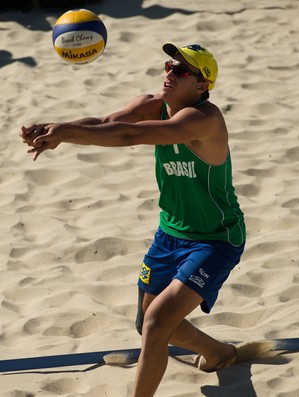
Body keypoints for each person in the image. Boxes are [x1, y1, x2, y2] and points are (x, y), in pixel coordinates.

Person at [20, 42, 246, 397]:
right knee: (148, 323)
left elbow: (131, 135)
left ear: (202, 85)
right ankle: (218, 351)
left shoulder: (203, 118)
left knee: (157, 322)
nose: (170, 73)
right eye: (169, 65)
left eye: (182, 71)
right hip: (170, 233)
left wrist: (66, 134)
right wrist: (53, 128)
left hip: (215, 239)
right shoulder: (153, 104)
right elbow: (108, 123)